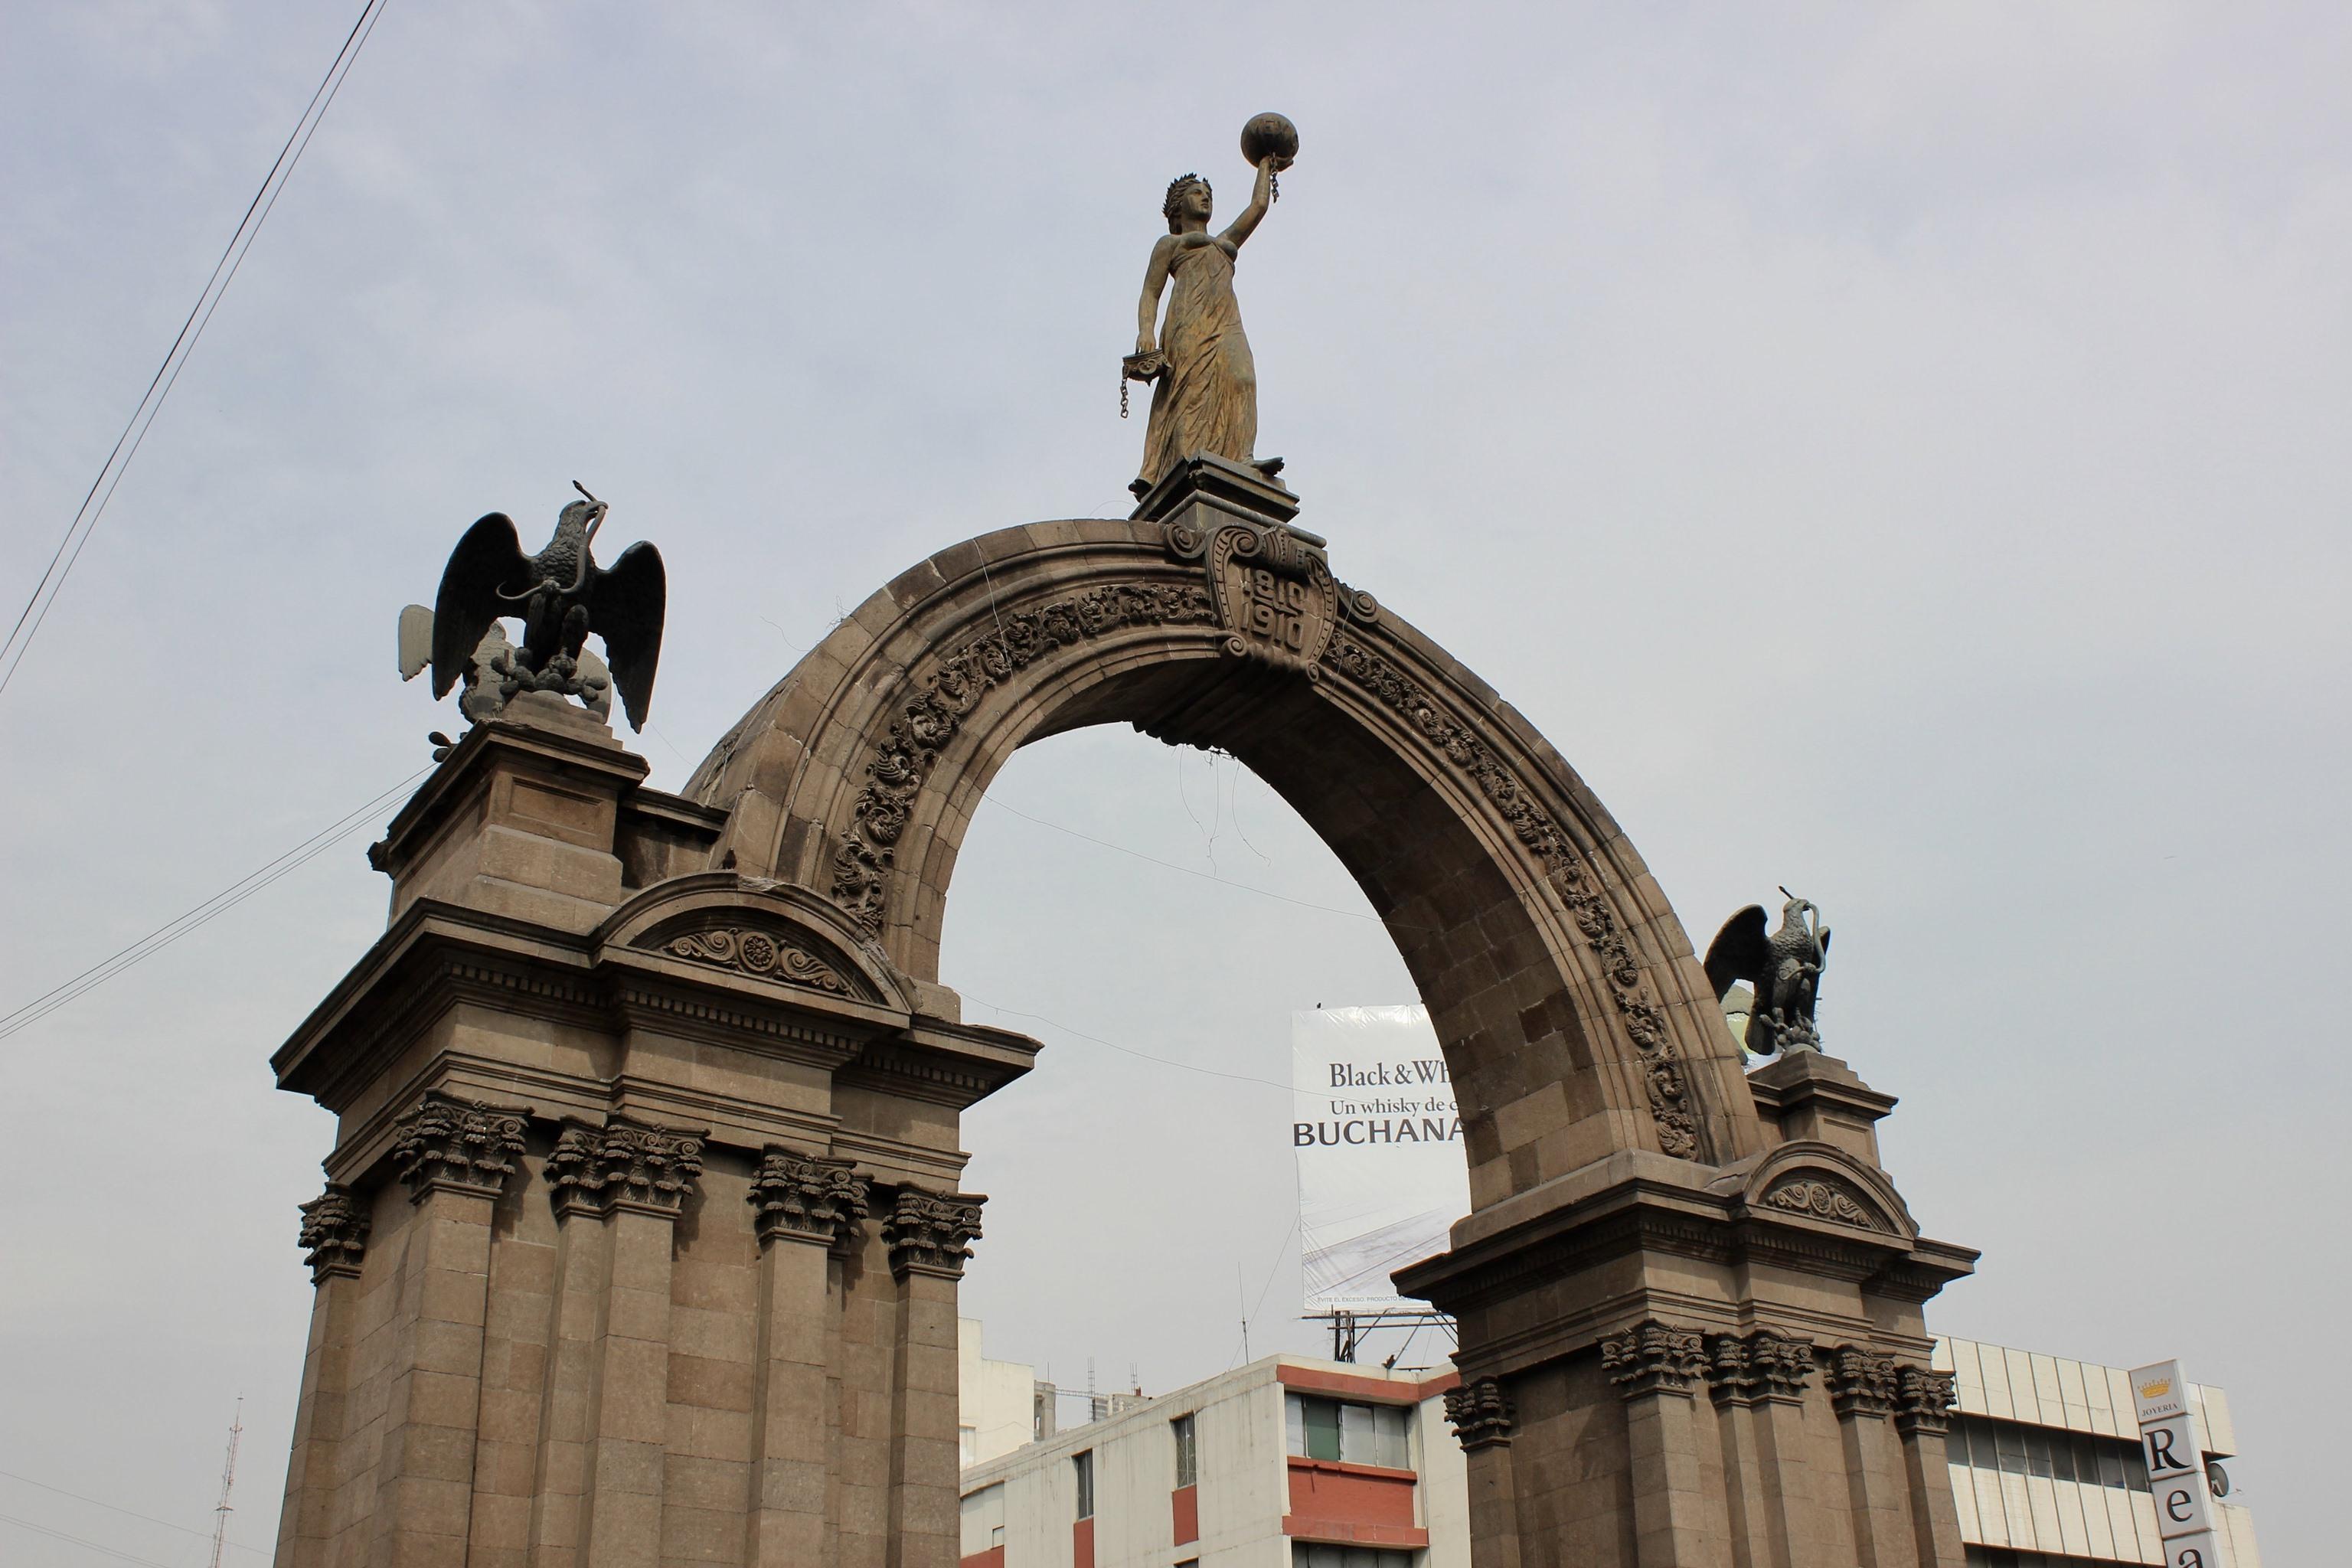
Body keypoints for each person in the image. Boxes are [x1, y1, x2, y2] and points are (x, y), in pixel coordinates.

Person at [1126, 152, 1290, 498]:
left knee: (1242, 378)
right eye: (1197, 192)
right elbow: (1150, 292)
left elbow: (1258, 206)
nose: (1205, 197)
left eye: (1209, 193)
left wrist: (1265, 165)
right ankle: (1184, 463)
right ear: (1178, 207)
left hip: (1228, 321)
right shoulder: (1170, 244)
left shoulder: (1226, 239)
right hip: (1189, 320)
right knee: (1191, 392)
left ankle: (1242, 457)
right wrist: (1146, 330)